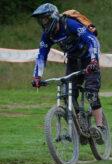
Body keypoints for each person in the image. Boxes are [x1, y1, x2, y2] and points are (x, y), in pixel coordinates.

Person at [31, 3, 105, 144]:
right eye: (41, 20)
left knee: (91, 92)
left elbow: (92, 40)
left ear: (52, 17)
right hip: (72, 62)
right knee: (69, 96)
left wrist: (94, 60)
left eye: (45, 19)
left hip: (89, 59)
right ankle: (82, 128)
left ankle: (101, 127)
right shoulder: (47, 35)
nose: (43, 23)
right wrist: (37, 76)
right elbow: (41, 55)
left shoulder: (69, 24)